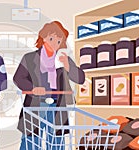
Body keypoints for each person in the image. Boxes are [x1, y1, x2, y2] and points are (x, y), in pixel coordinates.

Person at [13, 21, 85, 150]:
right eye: (51, 38)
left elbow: (80, 79)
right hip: (35, 104)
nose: (54, 44)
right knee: (31, 141)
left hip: (57, 105)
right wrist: (32, 88)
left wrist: (68, 67)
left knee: (56, 142)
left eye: (58, 41)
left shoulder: (64, 59)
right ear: (44, 37)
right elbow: (18, 78)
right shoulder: (30, 58)